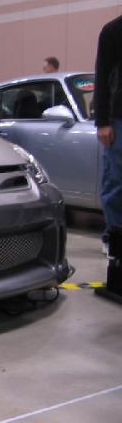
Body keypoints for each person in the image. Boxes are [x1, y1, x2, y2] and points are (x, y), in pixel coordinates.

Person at [94, 15, 122, 254]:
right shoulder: (113, 30)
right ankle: (114, 238)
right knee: (116, 182)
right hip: (119, 119)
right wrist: (102, 121)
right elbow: (102, 76)